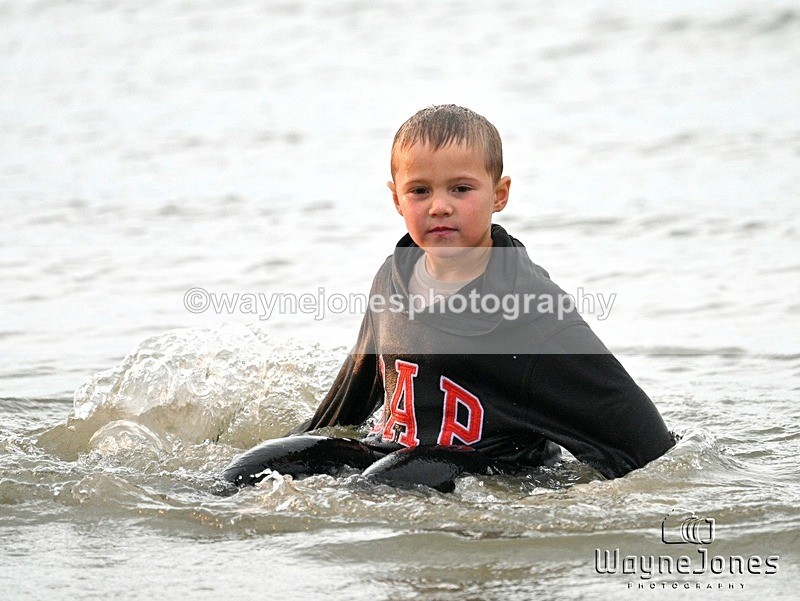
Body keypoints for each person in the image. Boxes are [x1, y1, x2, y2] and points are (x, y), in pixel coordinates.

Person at [222, 105, 674, 492]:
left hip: (495, 469)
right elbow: (350, 399)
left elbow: (641, 435)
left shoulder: (532, 309)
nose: (439, 206)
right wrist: (302, 448)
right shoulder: (391, 278)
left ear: (499, 195)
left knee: (386, 482)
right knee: (256, 465)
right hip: (397, 452)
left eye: (460, 189)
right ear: (397, 200)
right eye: (420, 190)